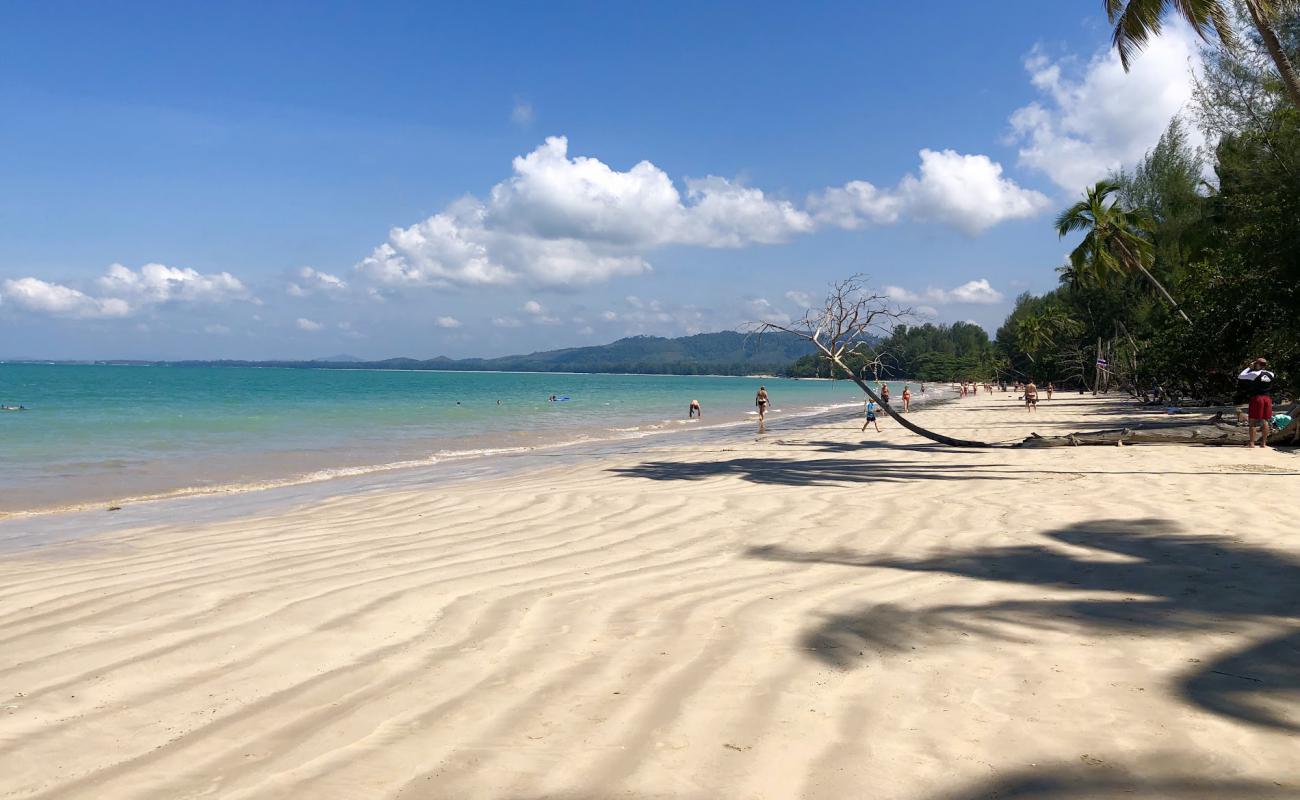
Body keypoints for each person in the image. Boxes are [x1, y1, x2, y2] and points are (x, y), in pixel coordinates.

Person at [1238, 358, 1275, 448]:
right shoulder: (1271, 374)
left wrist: (1249, 367)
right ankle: (1264, 443)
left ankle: (1252, 443)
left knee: (1253, 421)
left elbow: (1240, 376)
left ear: (1257, 364)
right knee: (1265, 421)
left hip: (1257, 398)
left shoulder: (1255, 374)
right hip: (1267, 398)